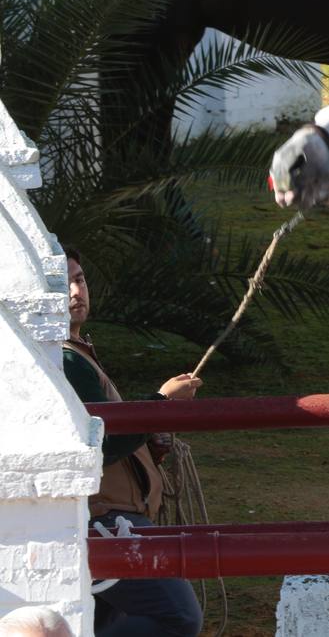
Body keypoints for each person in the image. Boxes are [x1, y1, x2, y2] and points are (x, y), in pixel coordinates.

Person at [62, 249, 204, 637]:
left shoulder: (76, 355)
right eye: (62, 282)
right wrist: (159, 405)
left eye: (80, 278)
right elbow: (98, 447)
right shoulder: (67, 361)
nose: (76, 290)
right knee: (177, 616)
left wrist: (150, 443)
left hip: (112, 517)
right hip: (109, 521)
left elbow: (109, 439)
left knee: (94, 627)